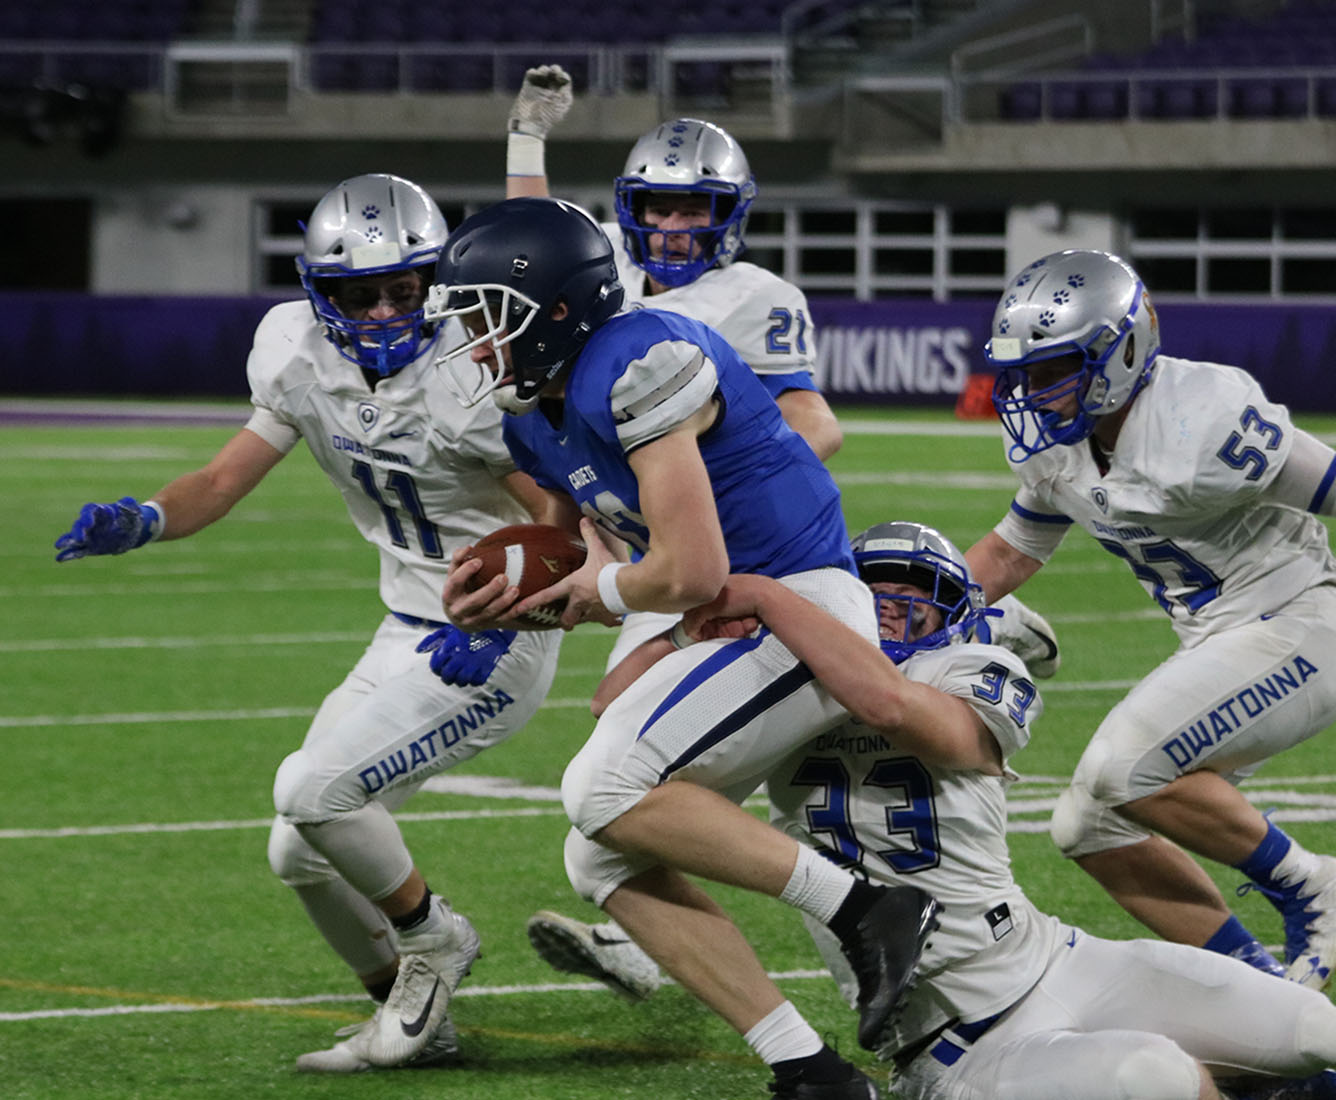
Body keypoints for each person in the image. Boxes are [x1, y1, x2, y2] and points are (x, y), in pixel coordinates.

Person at [504, 64, 1060, 997]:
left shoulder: (754, 296)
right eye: (661, 208)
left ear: (730, 215)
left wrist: (696, 488)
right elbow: (521, 248)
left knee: (660, 769)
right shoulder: (593, 281)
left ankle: (963, 653)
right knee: (632, 760)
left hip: (733, 556)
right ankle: (678, 939)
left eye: (696, 209)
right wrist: (526, 143)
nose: (675, 227)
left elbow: (812, 424)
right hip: (656, 563)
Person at [427, 195, 938, 1100]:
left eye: (484, 317)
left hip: (799, 606)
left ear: (554, 310)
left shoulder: (638, 359)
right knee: (599, 853)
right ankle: (807, 1069)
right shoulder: (533, 412)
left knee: (600, 788)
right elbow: (608, 556)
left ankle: (870, 909)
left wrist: (601, 593)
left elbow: (691, 567)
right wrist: (514, 597)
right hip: (717, 622)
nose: (471, 340)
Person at [53, 173, 563, 1073]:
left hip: (491, 639)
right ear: (316, 292)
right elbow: (220, 480)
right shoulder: (292, 349)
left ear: (435, 281)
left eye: (404, 289)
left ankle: (435, 943)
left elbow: (566, 523)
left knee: (312, 791)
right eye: (359, 293)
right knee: (299, 848)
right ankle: (420, 1016)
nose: (383, 309)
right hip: (404, 624)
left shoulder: (476, 370)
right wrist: (148, 517)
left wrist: (508, 615)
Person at [688, 520, 1336, 1100]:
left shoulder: (974, 668)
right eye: (875, 598)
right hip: (953, 1039)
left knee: (1317, 1028)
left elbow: (916, 720)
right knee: (1156, 1078)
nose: (890, 613)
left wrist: (778, 616)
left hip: (1057, 960)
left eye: (911, 602)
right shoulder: (783, 703)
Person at [963, 248, 1336, 991]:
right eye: (1022, 373)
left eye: (1051, 370)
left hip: (1299, 619)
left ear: (1121, 352)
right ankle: (1256, 994)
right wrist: (909, 609)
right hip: (1218, 637)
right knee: (1085, 825)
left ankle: (1313, 885)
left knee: (1125, 769)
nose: (1031, 393)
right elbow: (1012, 550)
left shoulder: (1203, 422)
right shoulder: (1058, 444)